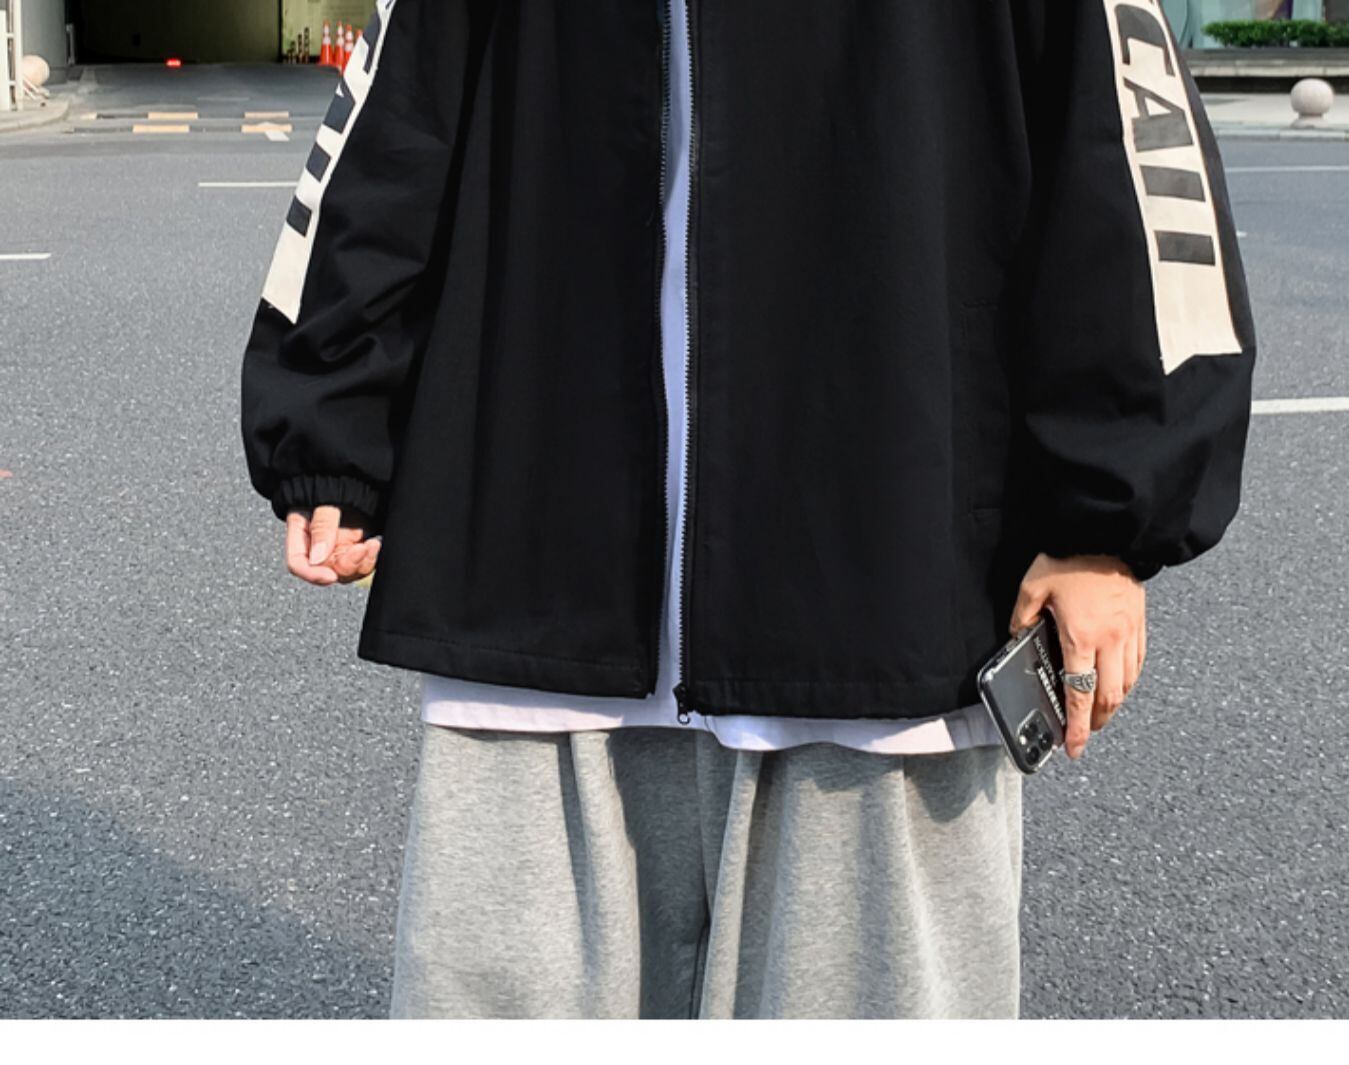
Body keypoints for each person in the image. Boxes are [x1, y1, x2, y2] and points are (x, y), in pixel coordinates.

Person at [240, 0, 1254, 1019]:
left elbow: (1120, 133)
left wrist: (1105, 527)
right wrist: (332, 409)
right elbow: (399, 106)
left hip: (879, 579)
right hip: (542, 553)